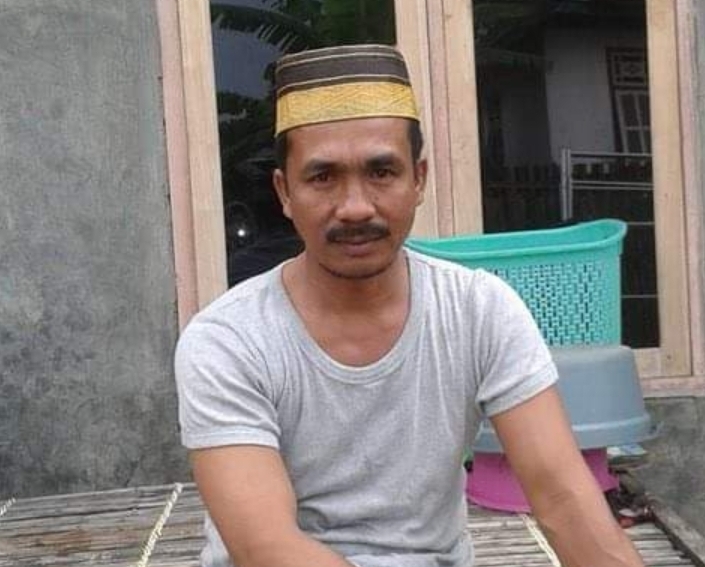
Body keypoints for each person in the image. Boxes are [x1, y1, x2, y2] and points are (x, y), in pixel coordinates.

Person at [175, 44, 645, 567]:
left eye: (381, 172)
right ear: (285, 192)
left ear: (418, 179)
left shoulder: (479, 311)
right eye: (323, 177)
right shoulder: (228, 340)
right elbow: (264, 546)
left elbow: (563, 497)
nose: (355, 208)